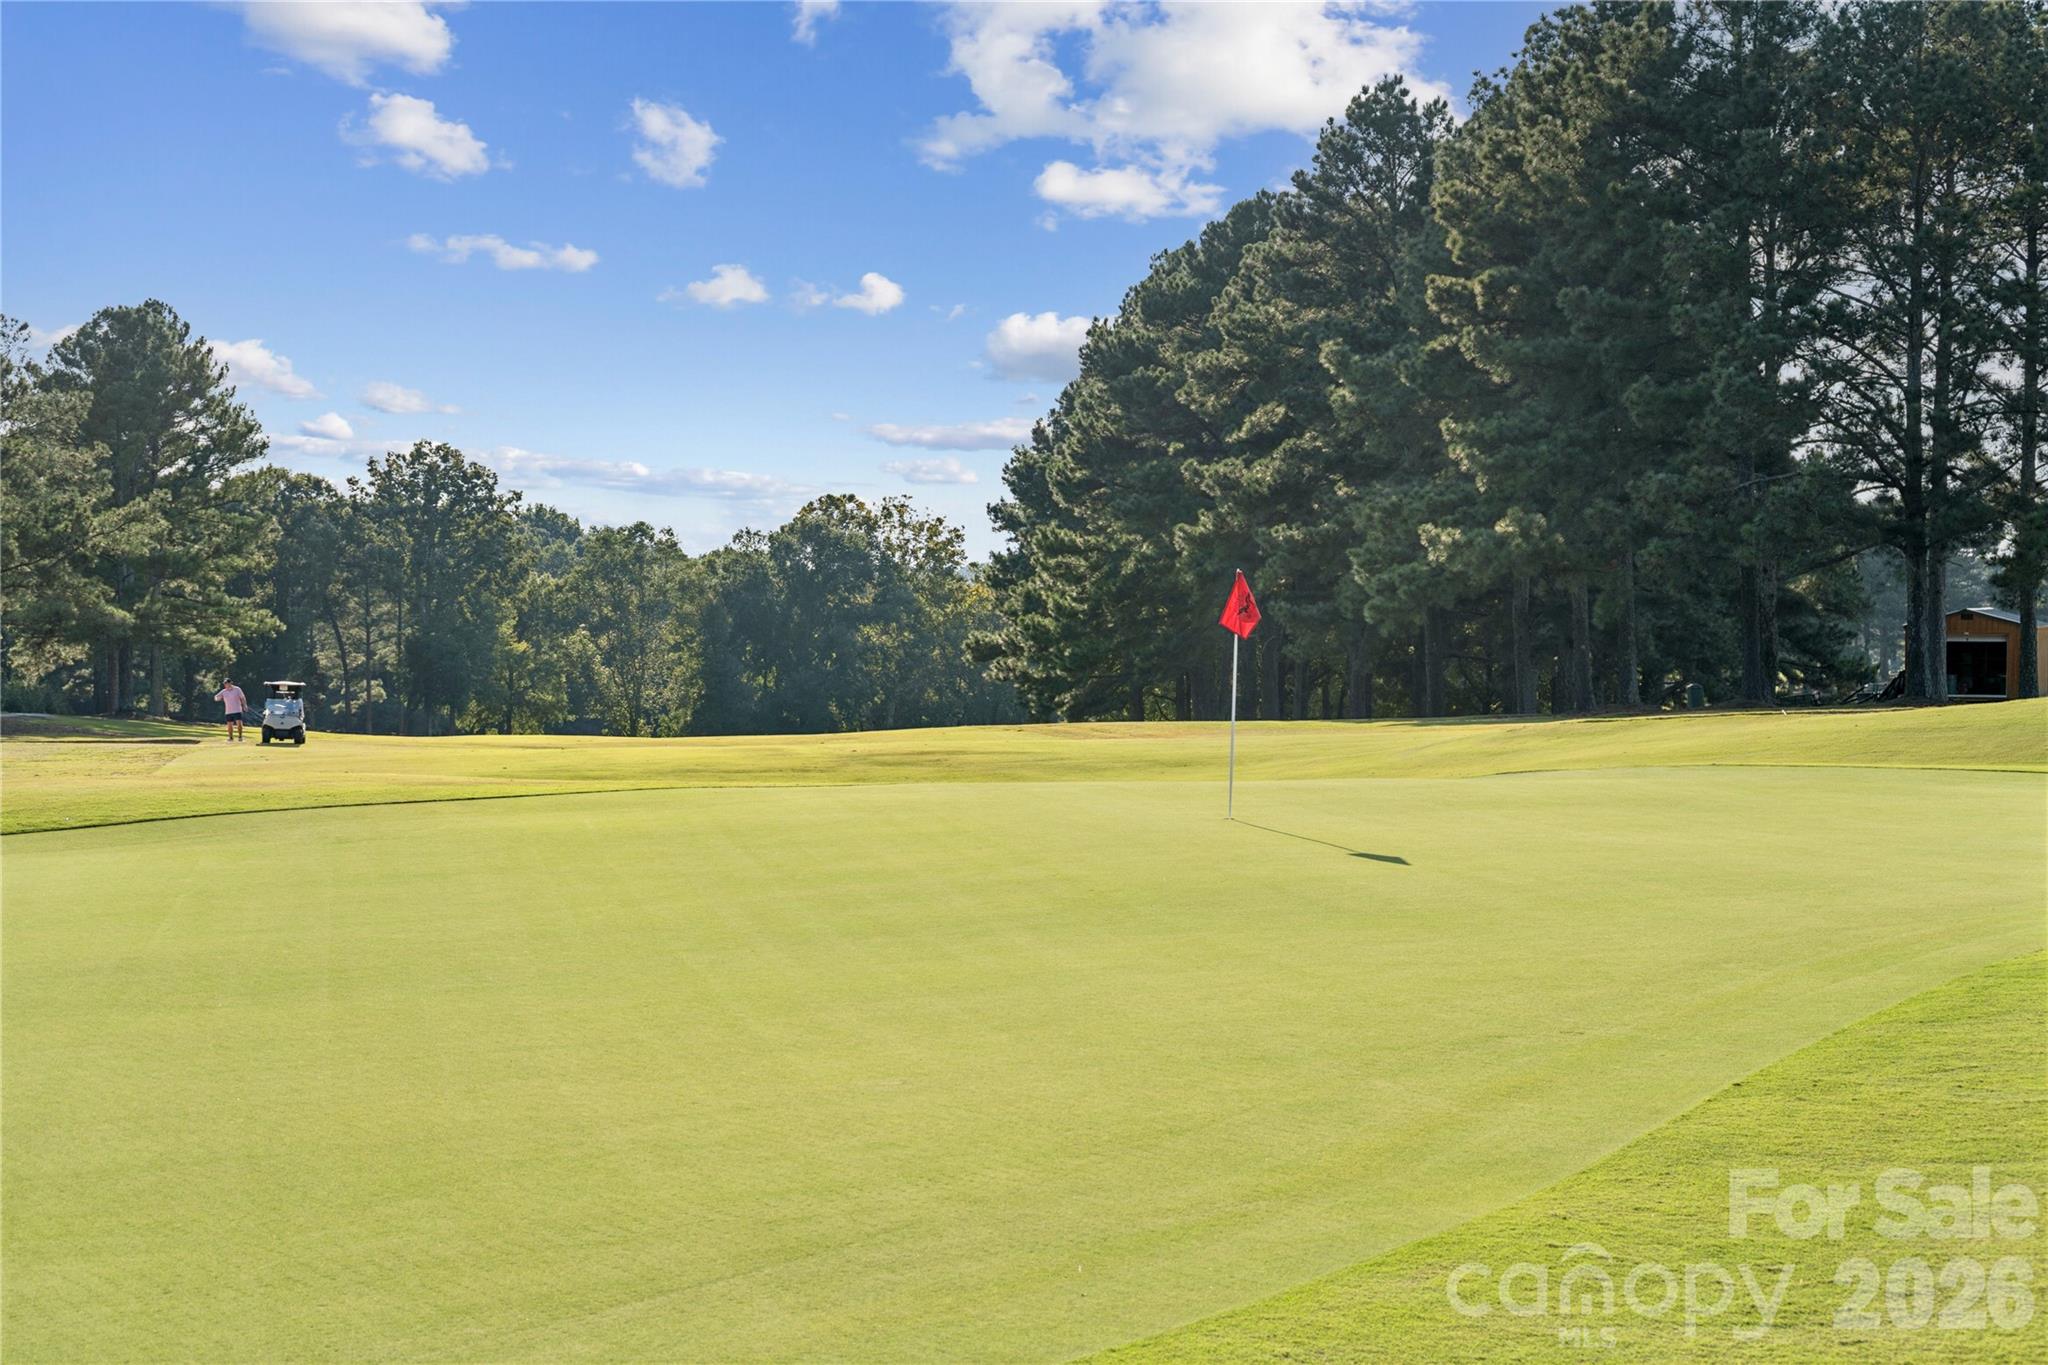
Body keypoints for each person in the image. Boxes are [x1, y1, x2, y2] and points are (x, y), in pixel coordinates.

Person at [213, 677, 248, 742]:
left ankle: (240, 737)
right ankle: (231, 738)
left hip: (237, 710)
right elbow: (216, 696)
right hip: (228, 711)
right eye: (225, 684)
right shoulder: (224, 691)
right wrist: (217, 699)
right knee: (229, 725)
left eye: (227, 683)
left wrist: (245, 705)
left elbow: (242, 698)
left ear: (231, 683)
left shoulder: (237, 689)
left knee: (239, 724)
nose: (226, 685)